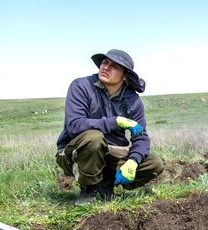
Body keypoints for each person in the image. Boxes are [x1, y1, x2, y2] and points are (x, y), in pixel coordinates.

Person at [56, 49, 164, 205]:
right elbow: (74, 125)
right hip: (75, 152)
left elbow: (141, 137)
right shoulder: (81, 86)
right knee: (94, 138)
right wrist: (115, 122)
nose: (105, 67)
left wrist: (133, 161)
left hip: (111, 153)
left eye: (114, 66)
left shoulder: (133, 100)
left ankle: (106, 185)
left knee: (154, 163)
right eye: (105, 62)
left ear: (124, 75)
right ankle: (89, 188)